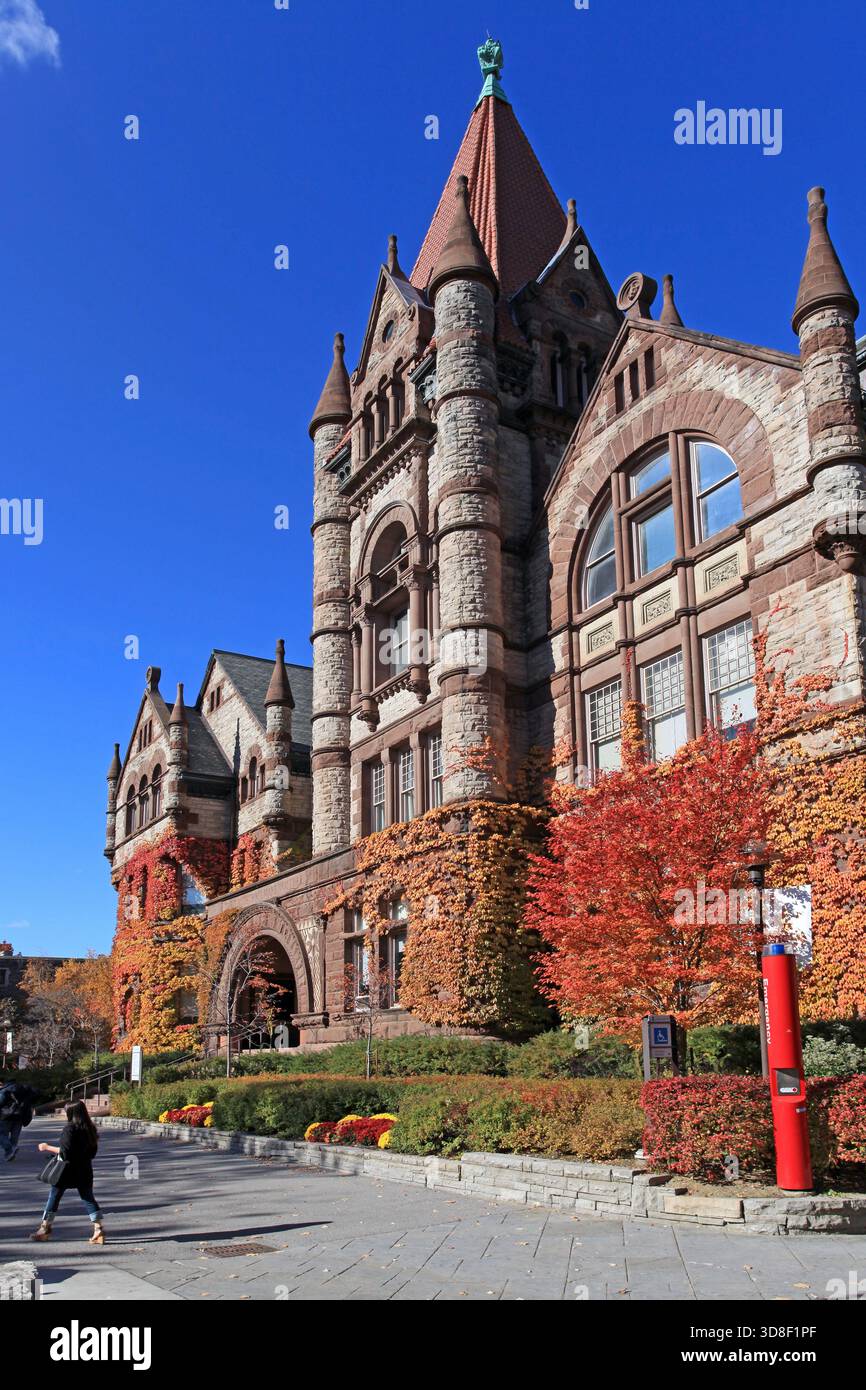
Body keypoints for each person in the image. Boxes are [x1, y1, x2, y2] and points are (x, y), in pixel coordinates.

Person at [31, 1101, 105, 1244]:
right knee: (88, 1198)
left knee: (54, 1196)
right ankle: (98, 1229)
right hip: (85, 1169)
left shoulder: (69, 1129)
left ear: (70, 1113)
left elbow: (66, 1153)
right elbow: (92, 1153)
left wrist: (46, 1147)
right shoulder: (91, 1129)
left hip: (66, 1170)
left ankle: (45, 1228)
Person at [0, 1080, 37, 1161]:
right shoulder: (23, 1090)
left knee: (2, 1135)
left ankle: (10, 1149)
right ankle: (10, 1154)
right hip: (19, 1116)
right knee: (14, 1137)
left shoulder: (5, 1090)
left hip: (6, 1116)